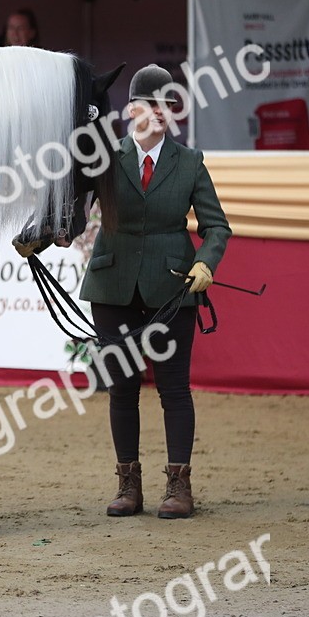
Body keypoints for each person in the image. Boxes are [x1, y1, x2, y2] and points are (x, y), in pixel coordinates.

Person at [78, 64, 231, 520]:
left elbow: (217, 226)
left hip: (172, 290)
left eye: (168, 104)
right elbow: (72, 207)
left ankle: (179, 486)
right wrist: (42, 237)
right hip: (112, 285)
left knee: (173, 389)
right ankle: (128, 485)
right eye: (152, 104)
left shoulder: (190, 162)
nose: (161, 112)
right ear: (131, 111)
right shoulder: (104, 157)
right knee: (122, 390)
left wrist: (206, 262)